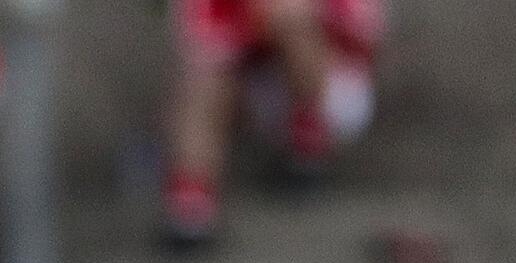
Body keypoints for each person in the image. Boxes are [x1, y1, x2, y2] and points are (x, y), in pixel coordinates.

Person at [161, 0, 381, 249]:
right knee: (202, 75)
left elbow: (361, 33)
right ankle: (191, 200)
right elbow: (203, 43)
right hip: (257, 88)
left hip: (333, 93)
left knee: (289, 12)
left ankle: (307, 140)